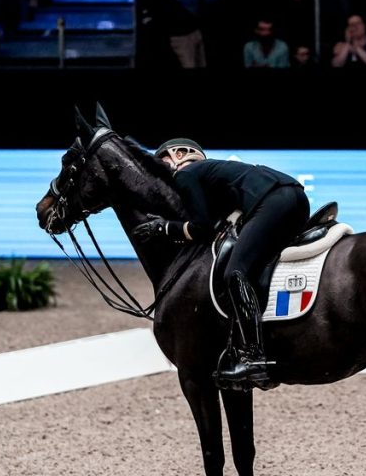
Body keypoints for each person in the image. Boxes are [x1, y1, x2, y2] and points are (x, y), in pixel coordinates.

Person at [132, 139, 310, 389]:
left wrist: (164, 228)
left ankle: (253, 357)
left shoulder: (185, 175)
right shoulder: (211, 174)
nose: (163, 170)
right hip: (295, 199)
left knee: (235, 272)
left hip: (273, 201)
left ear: (179, 154)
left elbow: (201, 228)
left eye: (163, 162)